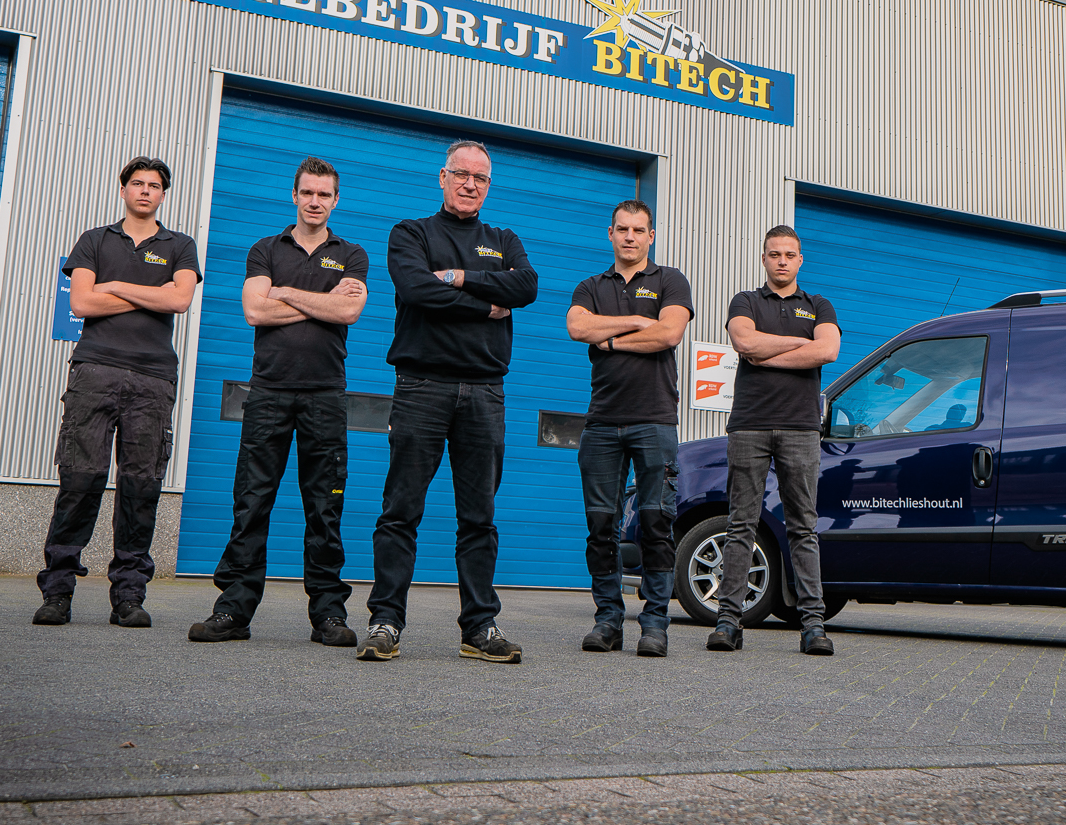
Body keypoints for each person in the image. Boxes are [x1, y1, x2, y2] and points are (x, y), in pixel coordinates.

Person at [360, 140, 538, 663]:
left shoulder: (503, 240)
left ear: (488, 186)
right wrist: (486, 305)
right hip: (422, 386)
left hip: (485, 392)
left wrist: (461, 278)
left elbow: (526, 287)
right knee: (401, 510)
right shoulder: (411, 233)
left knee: (479, 517)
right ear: (443, 177)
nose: (469, 184)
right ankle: (386, 621)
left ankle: (479, 628)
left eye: (480, 178)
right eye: (461, 174)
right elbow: (417, 290)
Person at [189, 158, 370, 647]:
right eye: (307, 192)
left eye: (324, 194)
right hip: (268, 393)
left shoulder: (351, 254)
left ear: (336, 200)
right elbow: (254, 309)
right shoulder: (265, 249)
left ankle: (329, 614)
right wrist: (321, 300)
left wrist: (284, 294)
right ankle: (233, 610)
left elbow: (349, 310)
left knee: (325, 507)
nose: (315, 201)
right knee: (251, 502)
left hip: (325, 396)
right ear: (294, 195)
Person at [34, 157, 201, 628]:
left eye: (154, 185)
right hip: (95, 371)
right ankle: (57, 592)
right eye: (137, 183)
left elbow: (179, 299)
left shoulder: (180, 245)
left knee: (140, 487)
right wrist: (150, 293)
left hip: (153, 378)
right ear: (123, 190)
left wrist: (117, 285)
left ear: (164, 194)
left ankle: (128, 596)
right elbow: (82, 302)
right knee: (79, 481)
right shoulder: (94, 240)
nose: (145, 191)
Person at [565, 200, 693, 657]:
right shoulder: (590, 286)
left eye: (639, 230)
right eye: (622, 229)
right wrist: (639, 321)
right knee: (601, 526)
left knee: (657, 522)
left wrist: (612, 340)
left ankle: (654, 624)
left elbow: (669, 334)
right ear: (611, 233)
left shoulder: (670, 280)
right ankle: (607, 620)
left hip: (654, 419)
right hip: (602, 421)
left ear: (650, 236)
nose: (630, 237)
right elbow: (577, 327)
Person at [711, 225, 841, 656]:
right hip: (749, 425)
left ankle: (813, 626)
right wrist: (799, 345)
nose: (782, 261)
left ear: (800, 259)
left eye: (789, 254)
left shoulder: (819, 305)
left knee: (803, 526)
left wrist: (766, 353)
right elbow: (744, 341)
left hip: (801, 428)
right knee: (740, 525)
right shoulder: (745, 301)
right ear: (764, 258)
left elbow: (827, 351)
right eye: (774, 254)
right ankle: (728, 622)